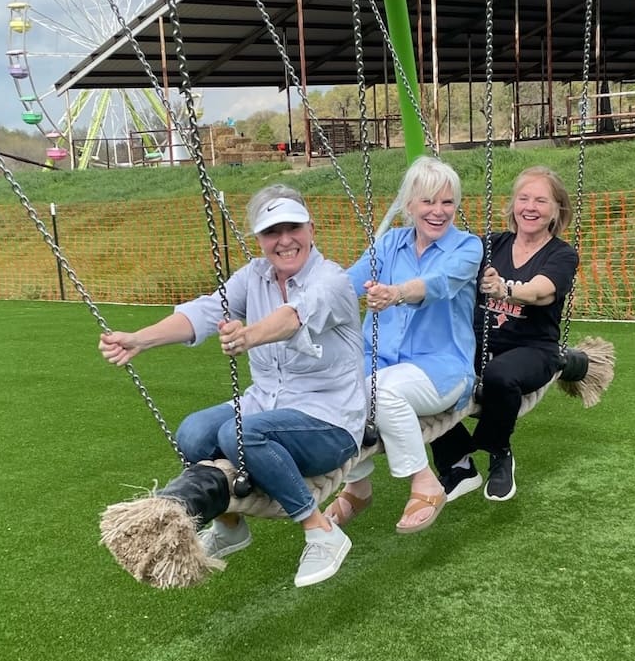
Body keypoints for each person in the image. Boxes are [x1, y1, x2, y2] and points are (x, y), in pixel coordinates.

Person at [98, 185, 367, 588]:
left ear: (311, 228)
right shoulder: (253, 277)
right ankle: (230, 525)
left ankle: (321, 531)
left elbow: (295, 317)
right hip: (267, 405)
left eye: (293, 227)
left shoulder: (332, 280)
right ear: (259, 240)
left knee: (240, 433)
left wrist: (250, 336)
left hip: (329, 420)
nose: (284, 240)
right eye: (271, 233)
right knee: (193, 432)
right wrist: (140, 339)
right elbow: (205, 312)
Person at [325, 156, 482, 534]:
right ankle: (358, 484)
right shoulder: (390, 243)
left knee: (379, 392)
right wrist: (303, 297)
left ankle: (425, 480)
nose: (438, 211)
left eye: (447, 202)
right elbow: (346, 284)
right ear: (409, 205)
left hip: (441, 367)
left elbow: (439, 283)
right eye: (428, 201)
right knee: (329, 390)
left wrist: (396, 293)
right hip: (376, 359)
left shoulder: (468, 247)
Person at [431, 165, 580, 503]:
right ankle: (457, 460)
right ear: (513, 204)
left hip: (532, 348)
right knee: (425, 370)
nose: (530, 207)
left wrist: (505, 290)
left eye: (541, 200)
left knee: (499, 375)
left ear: (557, 209)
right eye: (523, 198)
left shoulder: (561, 254)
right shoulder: (490, 244)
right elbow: (449, 260)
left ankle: (498, 451)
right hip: (478, 342)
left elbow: (542, 291)